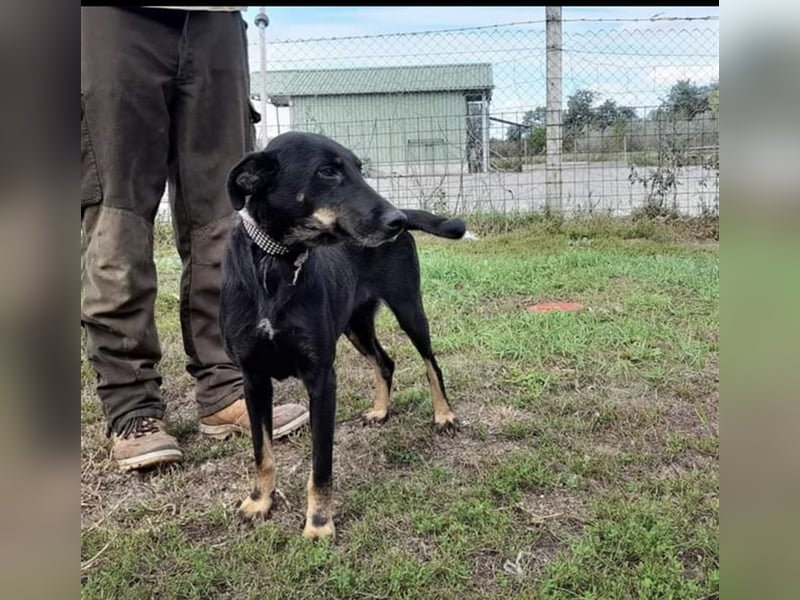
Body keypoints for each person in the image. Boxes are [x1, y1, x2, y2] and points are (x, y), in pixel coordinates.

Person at [81, 6, 309, 472]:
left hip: (215, 21)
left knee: (226, 220)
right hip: (110, 20)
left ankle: (226, 385)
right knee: (117, 220)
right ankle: (133, 407)